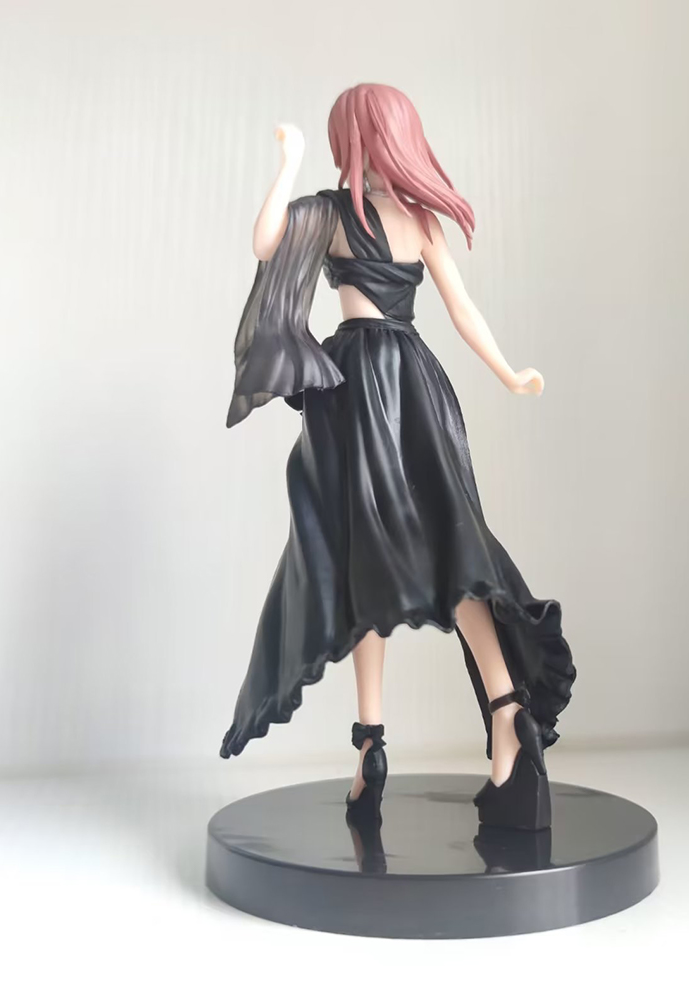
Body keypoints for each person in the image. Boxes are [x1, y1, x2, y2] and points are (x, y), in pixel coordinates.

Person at [221, 83, 575, 831]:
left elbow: (267, 243)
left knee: (379, 554)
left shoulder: (343, 214)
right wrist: (508, 373)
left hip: (360, 386)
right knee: (436, 544)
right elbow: (460, 310)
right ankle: (497, 710)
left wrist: (288, 163)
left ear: (356, 138)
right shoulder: (401, 219)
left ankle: (378, 741)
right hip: (409, 383)